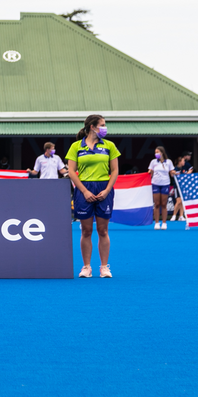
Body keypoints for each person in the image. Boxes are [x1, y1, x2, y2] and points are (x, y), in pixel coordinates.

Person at [66, 114, 120, 278]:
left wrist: (107, 190)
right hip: (84, 189)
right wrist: (84, 191)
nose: (104, 128)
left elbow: (115, 170)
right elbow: (71, 172)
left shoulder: (109, 145)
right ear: (92, 127)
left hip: (104, 188)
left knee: (103, 230)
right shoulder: (76, 146)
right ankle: (86, 267)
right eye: (102, 125)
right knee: (86, 230)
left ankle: (104, 267)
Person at [148, 146, 175, 230]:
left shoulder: (169, 162)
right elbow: (150, 172)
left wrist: (174, 172)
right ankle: (156, 223)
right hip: (155, 184)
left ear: (162, 153)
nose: (156, 154)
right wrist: (149, 172)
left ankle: (164, 223)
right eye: (155, 152)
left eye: (157, 152)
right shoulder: (153, 162)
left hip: (165, 184)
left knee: (163, 204)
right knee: (156, 204)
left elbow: (171, 173)